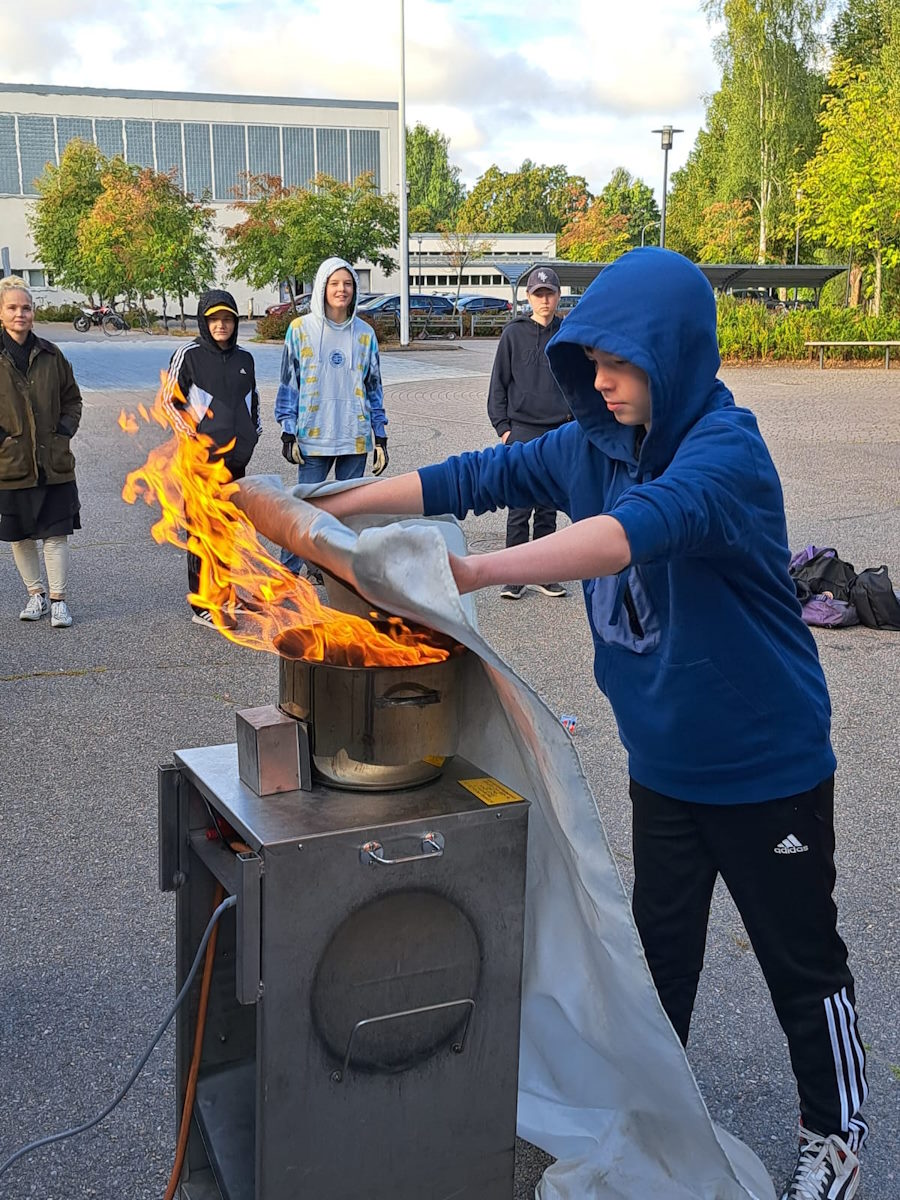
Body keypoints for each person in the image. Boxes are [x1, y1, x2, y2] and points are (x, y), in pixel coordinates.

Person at [304, 248, 868, 1200]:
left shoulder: (725, 451)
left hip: (765, 761)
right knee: (655, 964)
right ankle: (653, 1125)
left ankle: (838, 1133)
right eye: (588, 362)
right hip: (666, 765)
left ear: (676, 355)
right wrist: (321, 507)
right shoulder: (590, 442)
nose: (598, 381)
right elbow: (473, 477)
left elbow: (631, 532)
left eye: (619, 363)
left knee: (801, 957)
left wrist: (475, 572)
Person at [275, 256, 387, 584]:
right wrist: (287, 431)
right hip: (313, 434)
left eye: (348, 283)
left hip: (354, 436)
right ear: (323, 287)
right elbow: (288, 383)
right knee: (303, 510)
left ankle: (336, 573)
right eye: (335, 283)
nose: (342, 290)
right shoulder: (300, 330)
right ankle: (288, 576)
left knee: (346, 515)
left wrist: (380, 436)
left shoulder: (364, 335)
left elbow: (374, 387)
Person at [162, 289, 261, 627]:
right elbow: (168, 402)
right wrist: (192, 437)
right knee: (203, 532)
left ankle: (226, 594)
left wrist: (252, 436)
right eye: (215, 319)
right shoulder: (188, 355)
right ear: (204, 321)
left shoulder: (245, 359)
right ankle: (203, 605)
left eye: (228, 319)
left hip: (235, 462)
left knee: (228, 531)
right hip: (200, 462)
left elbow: (253, 402)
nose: (222, 325)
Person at [0, 276, 83, 628]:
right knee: (20, 536)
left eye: (26, 308)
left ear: (34, 313)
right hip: (11, 463)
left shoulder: (51, 354)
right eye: (12, 308)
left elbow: (72, 399)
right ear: (1, 313)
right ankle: (36, 595)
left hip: (53, 461)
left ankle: (58, 600)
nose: (20, 314)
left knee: (55, 532)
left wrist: (64, 431)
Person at [487, 265, 572, 600]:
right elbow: (499, 384)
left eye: (550, 293)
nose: (545, 300)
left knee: (548, 506)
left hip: (557, 431)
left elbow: (577, 383)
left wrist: (573, 426)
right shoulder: (513, 334)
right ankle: (514, 576)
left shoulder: (567, 334)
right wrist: (503, 429)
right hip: (521, 430)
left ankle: (545, 573)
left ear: (558, 295)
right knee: (519, 506)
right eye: (538, 294)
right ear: (528, 297)